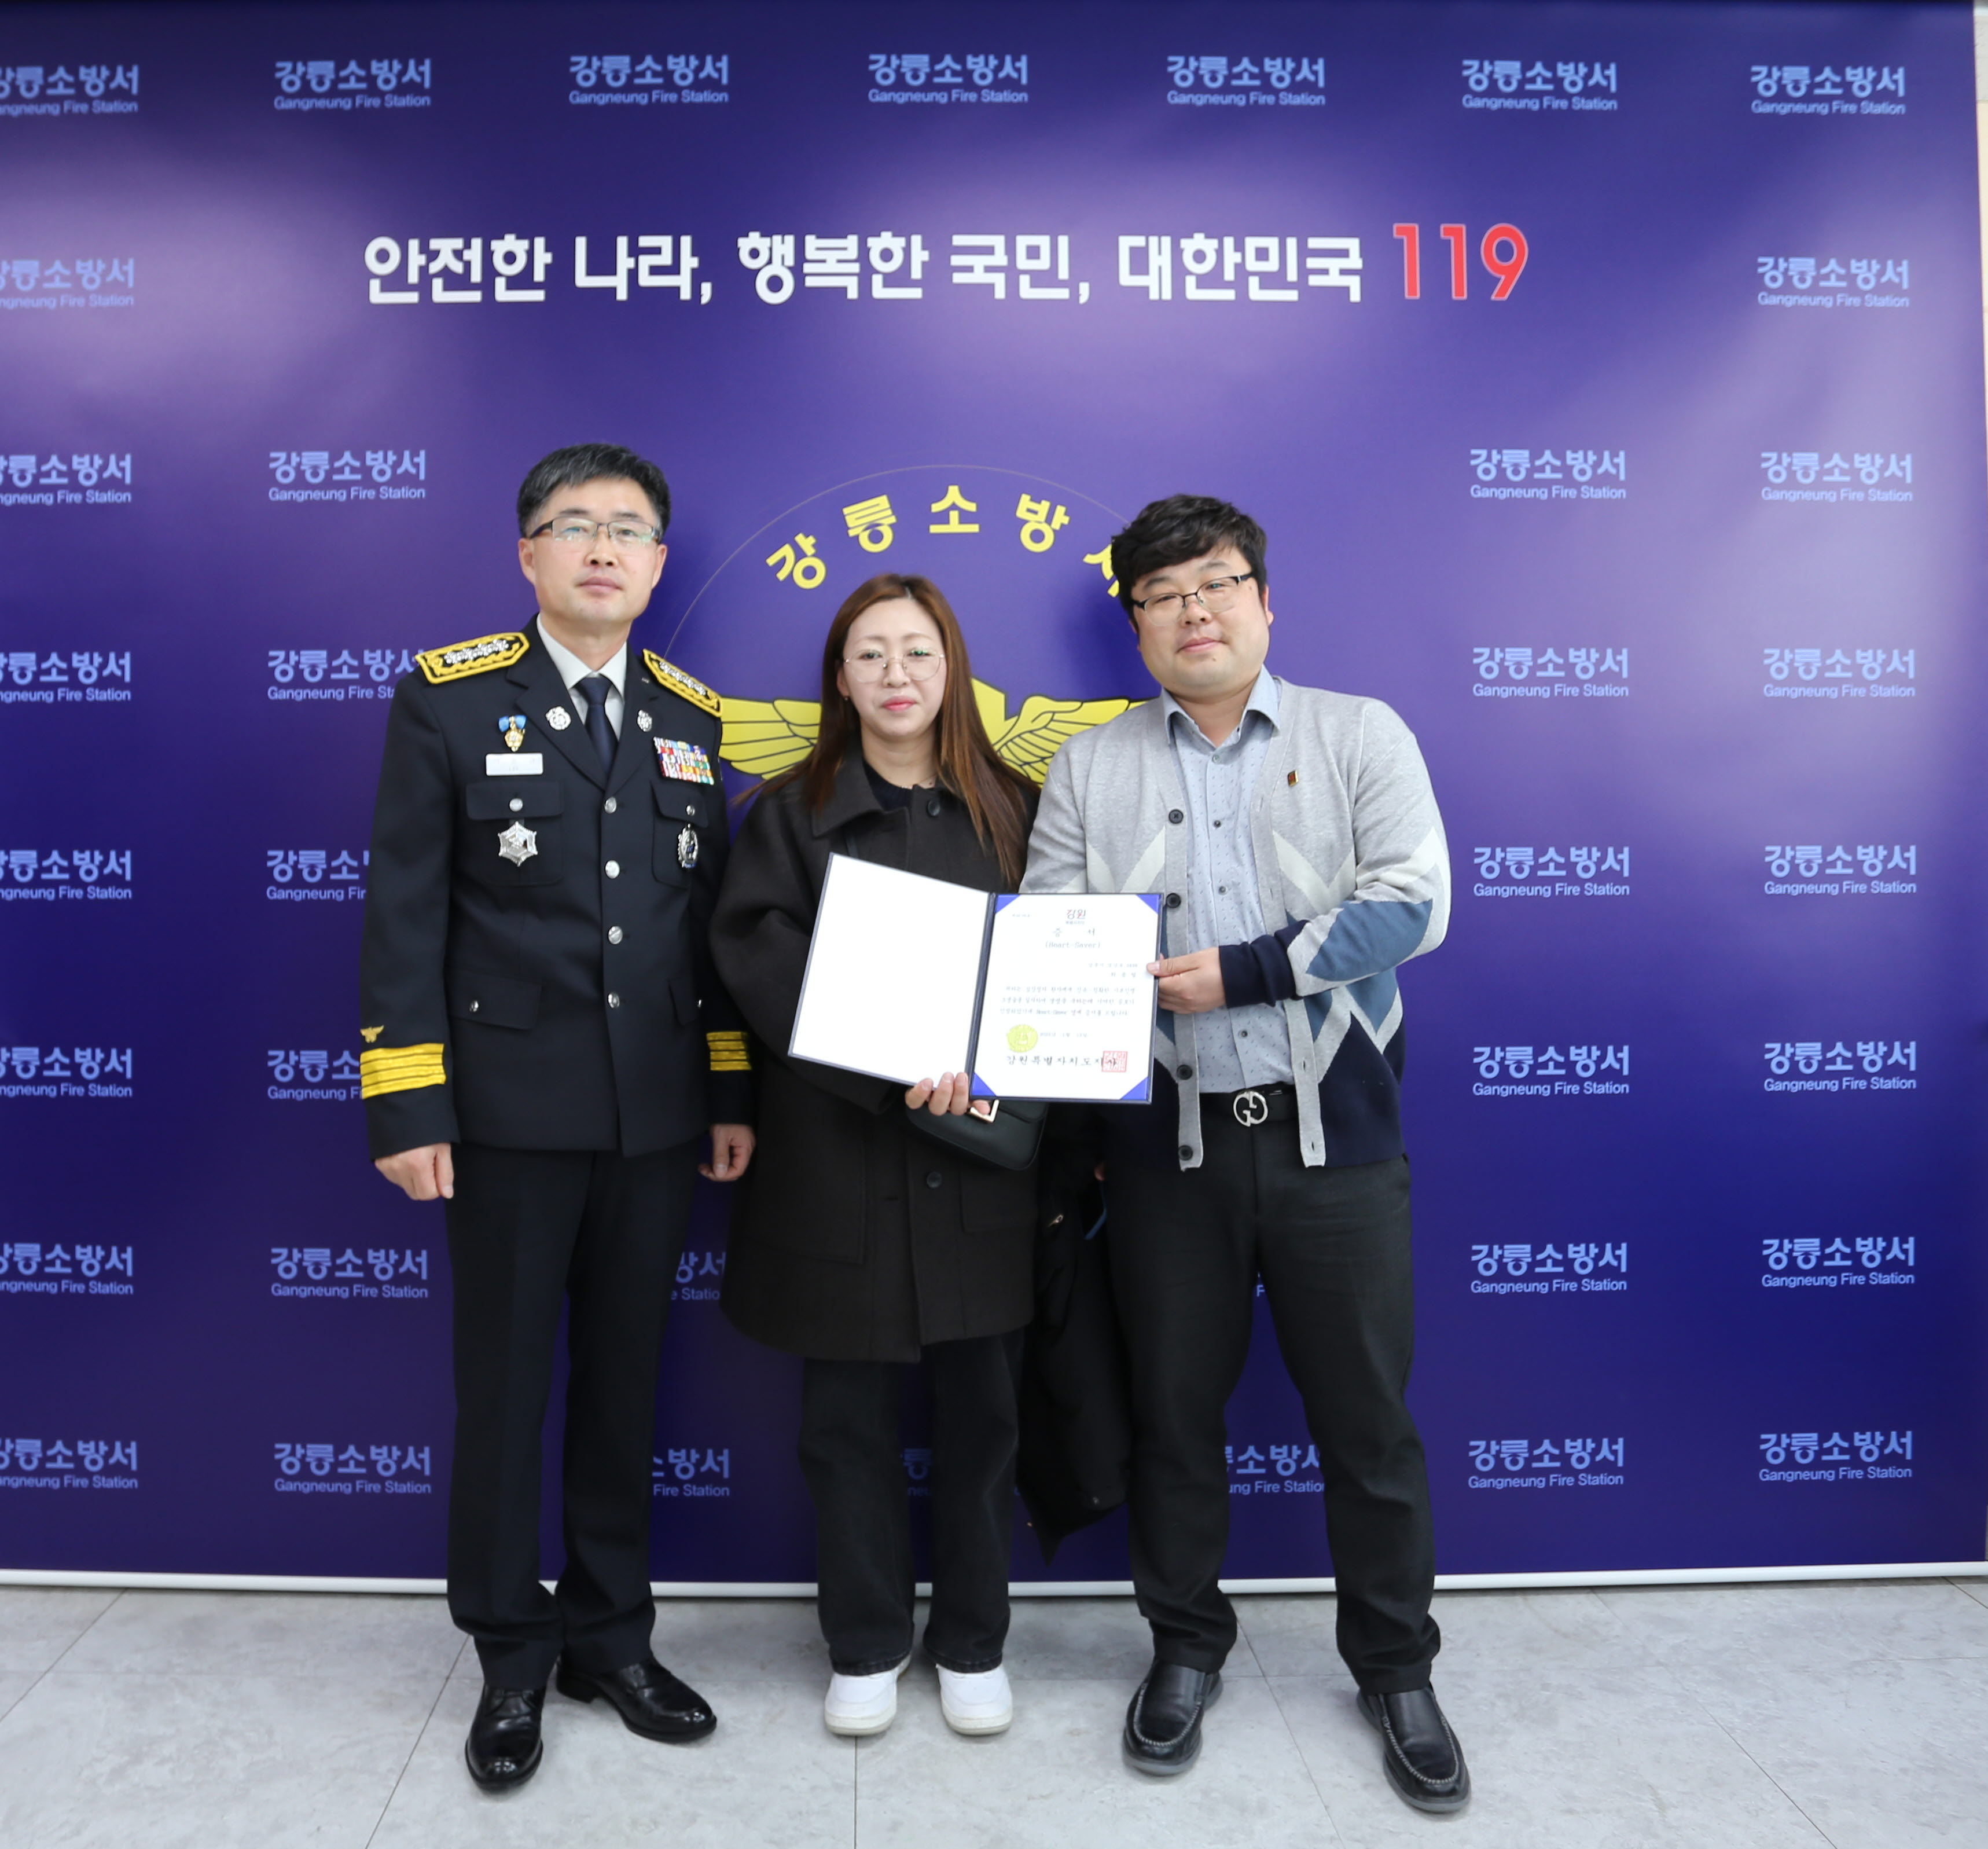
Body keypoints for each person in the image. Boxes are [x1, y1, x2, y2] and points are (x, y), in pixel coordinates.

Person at [1020, 496, 1467, 1811]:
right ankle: (1183, 1647)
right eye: (1163, 595)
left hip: (1339, 1147)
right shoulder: (1089, 767)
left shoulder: (1358, 733)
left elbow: (1416, 904)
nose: (1194, 611)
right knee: (1173, 1421)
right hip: (1166, 1151)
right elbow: (1050, 930)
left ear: (1265, 602)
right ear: (1136, 626)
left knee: (1369, 1424)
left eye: (1217, 584)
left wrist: (1247, 972)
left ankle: (1395, 1666)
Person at [359, 442, 755, 1792]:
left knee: (624, 1388)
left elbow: (706, 930)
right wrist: (407, 1100)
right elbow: (404, 910)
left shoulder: (691, 717)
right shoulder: (450, 696)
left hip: (654, 1117)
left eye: (628, 529)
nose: (601, 548)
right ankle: (510, 1651)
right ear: (527, 554)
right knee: (505, 1392)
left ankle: (609, 1639)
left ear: (657, 564)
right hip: (505, 1116)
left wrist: (727, 1090)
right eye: (573, 525)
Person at [710, 574, 1041, 1741]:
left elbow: (1058, 971)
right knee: (842, 1421)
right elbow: (753, 958)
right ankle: (863, 1640)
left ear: (952, 668)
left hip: (983, 1157)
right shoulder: (786, 813)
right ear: (839, 679)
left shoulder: (1017, 807)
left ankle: (973, 1638)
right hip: (835, 1152)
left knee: (984, 1417)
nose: (896, 674)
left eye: (917, 651)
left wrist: (993, 1072)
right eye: (869, 654)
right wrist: (897, 1062)